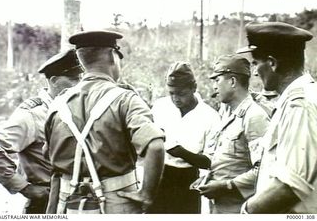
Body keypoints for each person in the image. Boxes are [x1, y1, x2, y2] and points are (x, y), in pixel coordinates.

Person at [44, 30, 165, 214]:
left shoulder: (57, 104)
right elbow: (155, 147)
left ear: (81, 61)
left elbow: (47, 153)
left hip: (68, 204)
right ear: (112, 55)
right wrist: (147, 194)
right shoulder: (126, 100)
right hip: (117, 202)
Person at [237, 22, 317, 213]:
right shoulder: (296, 98)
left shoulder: (300, 104)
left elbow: (290, 186)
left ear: (272, 63)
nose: (255, 72)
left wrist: (247, 211)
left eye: (256, 63)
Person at [0, 49, 83, 214]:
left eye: (80, 78)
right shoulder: (32, 114)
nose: (79, 84)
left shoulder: (75, 107)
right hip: (45, 202)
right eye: (73, 79)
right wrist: (24, 187)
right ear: (55, 80)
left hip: (75, 200)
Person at [190, 55, 270, 214]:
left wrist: (227, 186)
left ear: (232, 81)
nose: (213, 86)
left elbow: (264, 171)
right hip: (220, 207)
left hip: (240, 209)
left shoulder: (254, 117)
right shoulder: (227, 114)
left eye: (217, 80)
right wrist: (209, 179)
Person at [148, 61, 221, 214]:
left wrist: (180, 152)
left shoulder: (210, 117)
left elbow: (209, 162)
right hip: (159, 175)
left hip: (187, 180)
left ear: (193, 88)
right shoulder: (160, 107)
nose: (175, 98)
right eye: (171, 93)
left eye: (181, 93)